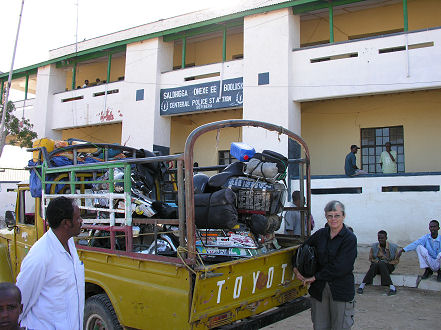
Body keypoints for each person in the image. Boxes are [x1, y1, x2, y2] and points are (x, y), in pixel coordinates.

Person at [16, 197, 84, 329]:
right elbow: (21, 300)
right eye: (78, 218)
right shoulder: (40, 256)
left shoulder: (69, 243)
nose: (81, 221)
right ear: (66, 223)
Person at [294, 200, 357, 329]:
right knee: (320, 326)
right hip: (319, 290)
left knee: (340, 326)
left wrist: (315, 277)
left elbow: (341, 267)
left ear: (343, 216)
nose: (333, 219)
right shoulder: (321, 234)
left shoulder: (349, 238)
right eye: (330, 216)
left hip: (340, 290)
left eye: (337, 215)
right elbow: (302, 249)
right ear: (326, 217)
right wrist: (296, 268)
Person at [357, 230, 400, 296]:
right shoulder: (374, 246)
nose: (380, 240)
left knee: (381, 264)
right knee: (375, 264)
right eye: (379, 238)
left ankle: (391, 286)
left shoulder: (393, 247)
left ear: (386, 238)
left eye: (382, 238)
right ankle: (362, 285)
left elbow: (396, 260)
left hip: (389, 267)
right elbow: (371, 259)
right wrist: (377, 261)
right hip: (376, 267)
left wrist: (387, 262)